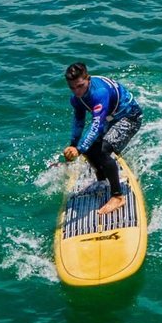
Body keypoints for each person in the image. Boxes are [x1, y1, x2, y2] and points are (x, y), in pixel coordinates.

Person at [61, 62, 144, 216]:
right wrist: (73, 144)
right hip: (110, 118)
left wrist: (79, 149)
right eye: (72, 88)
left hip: (129, 117)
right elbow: (79, 121)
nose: (77, 91)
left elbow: (97, 125)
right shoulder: (76, 98)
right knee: (90, 147)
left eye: (80, 86)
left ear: (88, 79)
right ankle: (102, 179)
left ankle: (118, 196)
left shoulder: (99, 93)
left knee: (102, 151)